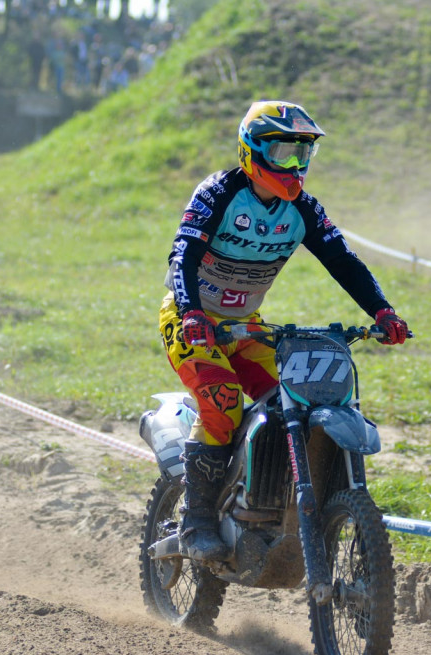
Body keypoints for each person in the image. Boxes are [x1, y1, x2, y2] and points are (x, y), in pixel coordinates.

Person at [158, 101, 410, 561]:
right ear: (251, 151)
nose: (294, 166)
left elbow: (343, 261)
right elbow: (183, 255)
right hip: (189, 321)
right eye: (283, 154)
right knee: (222, 402)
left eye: (302, 155)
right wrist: (193, 312)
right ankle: (195, 519)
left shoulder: (305, 209)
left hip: (246, 327)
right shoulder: (218, 193)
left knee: (289, 398)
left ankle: (262, 497)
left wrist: (383, 311)